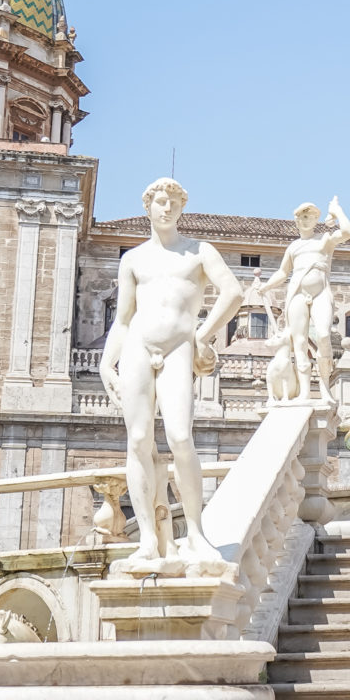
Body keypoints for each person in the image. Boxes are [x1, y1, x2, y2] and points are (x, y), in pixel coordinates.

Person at [99, 178, 243, 564]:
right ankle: (147, 539)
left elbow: (233, 293)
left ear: (182, 209)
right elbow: (124, 318)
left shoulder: (198, 252)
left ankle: (195, 532)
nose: (166, 209)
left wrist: (203, 335)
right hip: (136, 349)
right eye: (160, 202)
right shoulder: (132, 259)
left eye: (174, 203)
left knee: (180, 437)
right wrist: (104, 361)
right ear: (148, 206)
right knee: (139, 439)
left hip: (179, 347)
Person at [257, 198, 350, 403]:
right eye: (301, 217)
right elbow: (283, 272)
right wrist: (266, 286)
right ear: (296, 221)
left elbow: (347, 232)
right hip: (297, 293)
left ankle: (325, 386)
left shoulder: (324, 239)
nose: (305, 220)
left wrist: (337, 211)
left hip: (321, 293)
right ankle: (305, 393)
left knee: (324, 335)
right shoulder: (293, 247)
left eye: (309, 216)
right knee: (299, 343)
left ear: (317, 219)